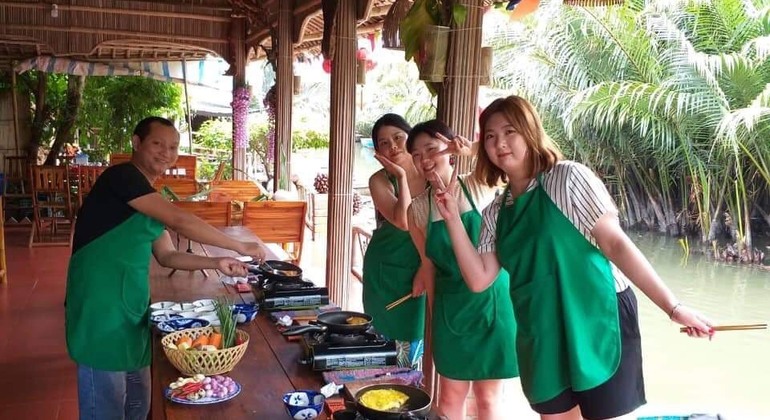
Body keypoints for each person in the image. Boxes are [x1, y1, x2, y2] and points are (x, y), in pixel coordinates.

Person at [432, 95, 714, 420]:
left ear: (530, 132)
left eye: (510, 131)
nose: (500, 143)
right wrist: (452, 219)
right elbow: (479, 279)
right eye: (491, 136)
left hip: (596, 317)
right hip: (541, 329)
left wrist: (673, 308)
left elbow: (616, 245)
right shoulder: (496, 210)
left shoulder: (566, 178)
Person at [65, 116, 267, 420]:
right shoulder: (122, 177)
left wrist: (216, 263)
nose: (166, 153)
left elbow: (168, 255)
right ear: (136, 143)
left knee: (138, 405)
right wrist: (238, 246)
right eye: (157, 143)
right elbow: (179, 220)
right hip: (101, 308)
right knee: (106, 407)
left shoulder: (147, 196)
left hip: (131, 306)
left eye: (173, 147)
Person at [406, 120, 518, 420]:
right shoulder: (417, 209)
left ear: (451, 149)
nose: (424, 159)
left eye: (432, 149)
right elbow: (428, 267)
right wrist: (435, 320)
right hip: (450, 310)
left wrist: (472, 149)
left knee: (488, 399)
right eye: (416, 155)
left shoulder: (481, 183)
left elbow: (513, 159)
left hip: (493, 305)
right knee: (449, 398)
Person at [361, 114, 428, 368]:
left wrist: (426, 266)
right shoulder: (380, 180)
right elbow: (403, 221)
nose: (393, 146)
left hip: (423, 265)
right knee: (384, 345)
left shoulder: (432, 174)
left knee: (417, 337)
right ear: (378, 152)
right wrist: (401, 176)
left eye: (398, 137)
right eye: (384, 143)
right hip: (385, 272)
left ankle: (413, 387)